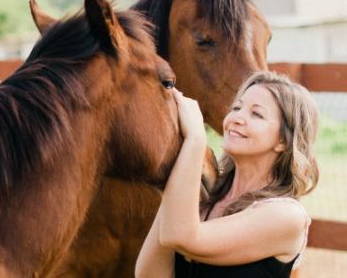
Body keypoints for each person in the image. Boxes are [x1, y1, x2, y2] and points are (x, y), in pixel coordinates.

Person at [135, 71, 319, 278]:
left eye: (256, 114)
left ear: (283, 141)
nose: (237, 118)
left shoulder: (286, 216)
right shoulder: (204, 197)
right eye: (237, 107)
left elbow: (181, 237)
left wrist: (195, 138)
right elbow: (149, 274)